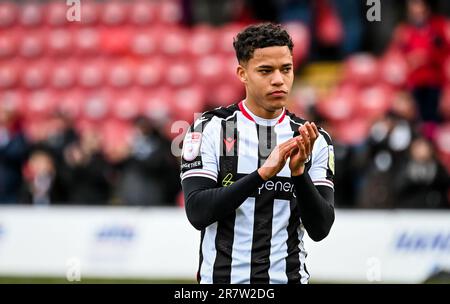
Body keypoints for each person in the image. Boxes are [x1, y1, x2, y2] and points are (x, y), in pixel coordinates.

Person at [180, 23, 335, 284]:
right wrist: (262, 174)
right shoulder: (209, 129)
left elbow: (320, 229)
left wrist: (299, 174)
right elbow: (198, 212)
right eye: (265, 70)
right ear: (242, 73)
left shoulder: (315, 139)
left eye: (286, 69)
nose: (278, 79)